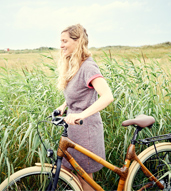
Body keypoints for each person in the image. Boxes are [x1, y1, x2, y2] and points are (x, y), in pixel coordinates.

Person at [56, 24, 114, 190]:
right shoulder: (75, 65)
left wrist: (81, 115)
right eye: (60, 41)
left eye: (64, 41)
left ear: (78, 41)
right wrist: (63, 106)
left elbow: (107, 96)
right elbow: (78, 93)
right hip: (73, 128)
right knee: (70, 173)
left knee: (84, 180)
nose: (61, 45)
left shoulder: (88, 67)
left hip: (86, 130)